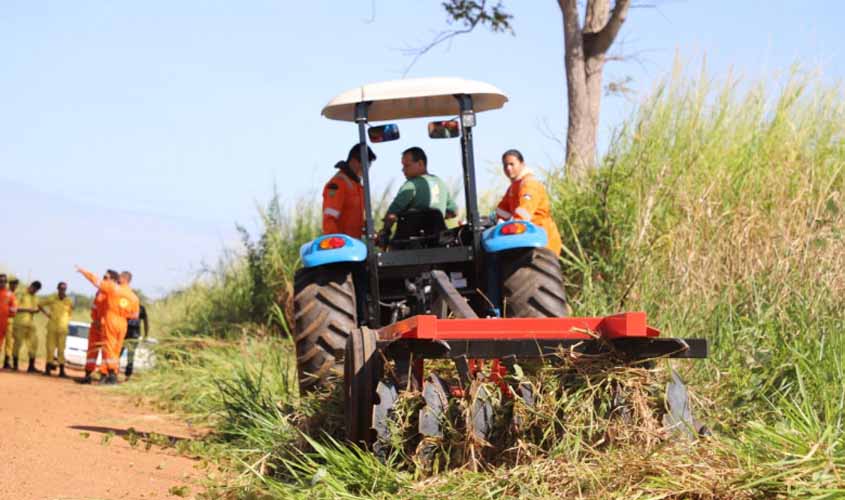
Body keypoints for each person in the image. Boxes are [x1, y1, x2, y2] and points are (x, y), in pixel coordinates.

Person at [76, 267, 138, 385]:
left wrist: (84, 271)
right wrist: (123, 313)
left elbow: (95, 281)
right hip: (123, 323)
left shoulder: (113, 289)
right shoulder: (134, 297)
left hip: (111, 320)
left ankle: (111, 375)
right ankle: (111, 374)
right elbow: (135, 315)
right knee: (116, 349)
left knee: (109, 348)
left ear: (122, 278)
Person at [496, 149, 562, 256]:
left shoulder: (529, 184)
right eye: (505, 165)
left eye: (512, 164)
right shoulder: (514, 187)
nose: (508, 168)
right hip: (527, 233)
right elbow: (502, 210)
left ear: (522, 164)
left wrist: (513, 225)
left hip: (541, 238)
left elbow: (524, 212)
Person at [382, 146, 457, 233]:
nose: (403, 169)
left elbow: (391, 215)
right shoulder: (440, 183)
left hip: (412, 242)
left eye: (406, 165)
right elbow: (454, 211)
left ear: (420, 163)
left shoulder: (411, 185)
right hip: (438, 240)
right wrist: (434, 219)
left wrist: (385, 232)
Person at [322, 143, 376, 238]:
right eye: (367, 165)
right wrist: (336, 245)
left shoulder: (357, 186)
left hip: (354, 245)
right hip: (342, 248)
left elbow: (351, 219)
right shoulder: (338, 184)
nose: (367, 169)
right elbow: (329, 220)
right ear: (354, 161)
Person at [40, 281, 74, 377]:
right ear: (58, 289)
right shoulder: (52, 298)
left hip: (63, 329)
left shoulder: (69, 301)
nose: (63, 290)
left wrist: (66, 321)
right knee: (50, 349)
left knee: (61, 350)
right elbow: (40, 304)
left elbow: (70, 313)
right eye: (61, 288)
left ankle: (62, 372)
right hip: (52, 328)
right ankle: (47, 370)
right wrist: (47, 314)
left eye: (64, 289)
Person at [78, 284, 108, 384]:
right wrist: (96, 320)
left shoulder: (113, 294)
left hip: (106, 328)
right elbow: (94, 310)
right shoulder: (99, 293)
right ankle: (88, 375)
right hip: (95, 327)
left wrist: (103, 322)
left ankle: (103, 377)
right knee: (91, 352)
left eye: (106, 277)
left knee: (106, 353)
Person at [119, 271, 145, 380]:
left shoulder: (141, 309)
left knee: (130, 355)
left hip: (133, 334)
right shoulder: (126, 306)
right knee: (118, 352)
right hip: (124, 331)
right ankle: (113, 371)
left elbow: (145, 321)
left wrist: (145, 334)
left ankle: (127, 375)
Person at [13, 280, 43, 373]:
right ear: (31, 286)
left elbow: (37, 308)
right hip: (19, 323)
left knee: (34, 344)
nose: (34, 291)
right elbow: (15, 307)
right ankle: (15, 366)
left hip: (30, 323)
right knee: (18, 344)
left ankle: (31, 367)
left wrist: (37, 310)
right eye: (34, 288)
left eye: (37, 290)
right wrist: (29, 309)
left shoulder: (35, 297)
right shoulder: (21, 294)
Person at [3, 275, 20, 369]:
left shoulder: (16, 295)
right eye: (13, 283)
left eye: (16, 284)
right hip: (4, 320)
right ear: (9, 284)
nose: (14, 285)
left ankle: (6, 362)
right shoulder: (6, 293)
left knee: (9, 342)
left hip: (11, 322)